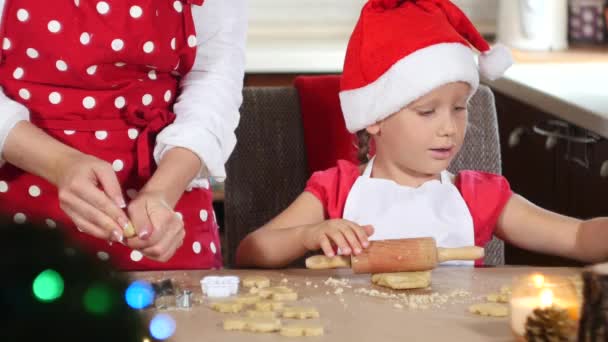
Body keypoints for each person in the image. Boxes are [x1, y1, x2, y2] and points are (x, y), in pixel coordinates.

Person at [235, 0, 608, 268]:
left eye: (460, 108)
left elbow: (576, 237)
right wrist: (308, 235)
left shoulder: (477, 196)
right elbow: (252, 250)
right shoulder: (337, 190)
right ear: (375, 118)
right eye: (427, 111)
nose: (449, 128)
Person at [0, 0, 247, 269]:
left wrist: (162, 193)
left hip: (165, 205)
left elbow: (213, 81)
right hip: (18, 201)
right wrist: (60, 164)